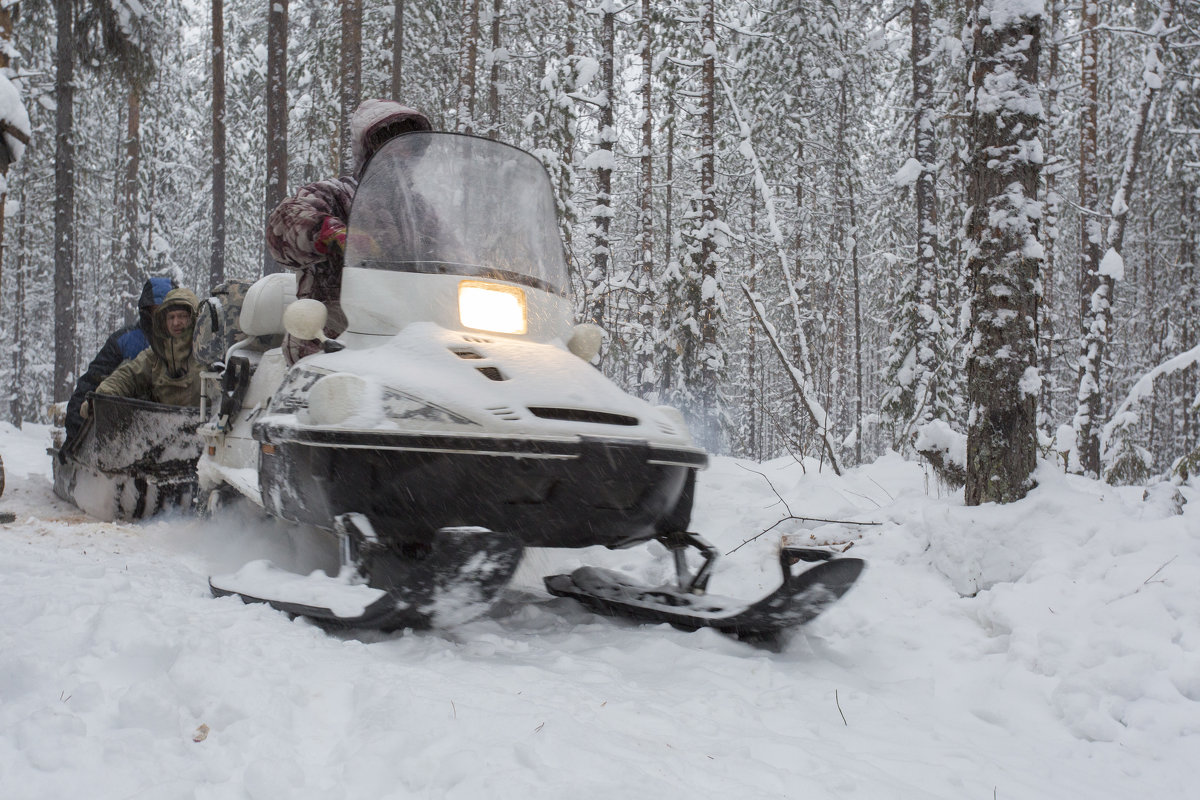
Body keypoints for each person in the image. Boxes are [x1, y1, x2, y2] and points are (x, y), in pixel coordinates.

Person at [266, 99, 431, 364]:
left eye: (410, 146)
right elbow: (283, 224)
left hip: (406, 333)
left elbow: (453, 252)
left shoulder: (420, 212)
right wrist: (329, 232)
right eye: (391, 143)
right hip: (333, 334)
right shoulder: (336, 194)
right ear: (370, 148)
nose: (402, 153)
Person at [63, 276, 175, 445]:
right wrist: (76, 437)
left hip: (173, 435)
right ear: (147, 311)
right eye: (156, 310)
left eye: (166, 311)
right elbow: (91, 382)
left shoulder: (191, 346)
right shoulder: (124, 342)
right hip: (124, 436)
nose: (161, 317)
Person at [84, 287, 203, 412]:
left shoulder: (209, 355)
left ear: (194, 318)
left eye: (182, 316)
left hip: (205, 428)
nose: (176, 322)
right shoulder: (155, 355)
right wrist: (100, 398)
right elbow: (127, 376)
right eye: (171, 317)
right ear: (163, 322)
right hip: (161, 428)